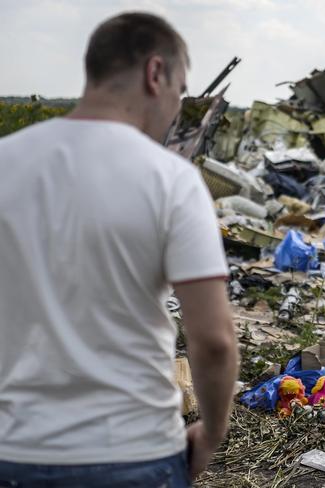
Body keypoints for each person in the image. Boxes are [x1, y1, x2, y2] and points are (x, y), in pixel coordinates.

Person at [0, 12, 238, 487]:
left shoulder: (7, 161)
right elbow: (213, 340)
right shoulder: (171, 180)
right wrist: (211, 432)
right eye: (180, 89)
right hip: (133, 452)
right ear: (155, 74)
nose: (177, 106)